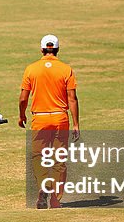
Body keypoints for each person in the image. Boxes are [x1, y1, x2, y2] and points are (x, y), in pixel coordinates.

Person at [19, 35, 80, 209]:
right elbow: (72, 99)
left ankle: (44, 186)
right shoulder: (65, 69)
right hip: (60, 117)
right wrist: (76, 124)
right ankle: (55, 199)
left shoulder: (31, 69)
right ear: (57, 50)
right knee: (59, 159)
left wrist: (21, 115)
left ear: (41, 50)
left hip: (40, 118)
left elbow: (23, 97)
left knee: (39, 156)